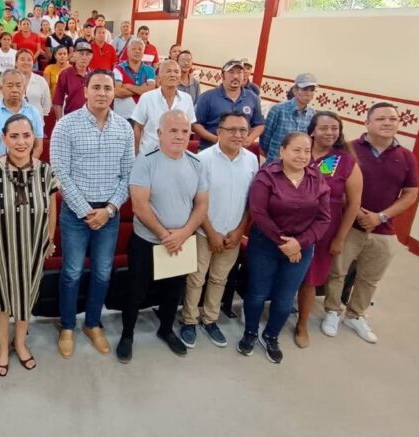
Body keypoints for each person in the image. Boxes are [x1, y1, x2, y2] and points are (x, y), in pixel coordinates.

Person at [51, 70, 134, 359]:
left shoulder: (124, 128)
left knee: (102, 271)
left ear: (114, 92)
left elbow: (128, 175)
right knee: (72, 272)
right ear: (85, 90)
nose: (102, 93)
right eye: (96, 87)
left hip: (109, 213)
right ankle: (67, 325)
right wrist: (88, 212)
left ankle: (93, 323)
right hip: (76, 212)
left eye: (107, 88)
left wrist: (109, 210)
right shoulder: (66, 125)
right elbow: (60, 173)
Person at [321, 103, 419, 344]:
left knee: (370, 277)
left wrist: (380, 216)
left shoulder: (406, 157)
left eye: (393, 119)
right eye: (381, 119)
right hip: (348, 224)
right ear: (367, 123)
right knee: (337, 271)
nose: (387, 123)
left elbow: (410, 194)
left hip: (383, 228)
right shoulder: (345, 150)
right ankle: (332, 311)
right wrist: (356, 211)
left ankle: (355, 315)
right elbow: (324, 178)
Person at [0, 115, 60, 376]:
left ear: (34, 138)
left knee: (26, 298)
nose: (21, 142)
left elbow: (51, 208)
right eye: (14, 136)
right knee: (1, 300)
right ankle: (2, 347)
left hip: (33, 249)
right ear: (4, 139)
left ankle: (20, 342)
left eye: (26, 135)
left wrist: (50, 240)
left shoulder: (45, 171)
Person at [119, 110, 209, 363]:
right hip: (147, 241)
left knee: (173, 292)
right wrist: (164, 234)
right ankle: (127, 335)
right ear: (159, 133)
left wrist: (183, 233)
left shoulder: (196, 163)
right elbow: (139, 205)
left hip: (181, 241)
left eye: (184, 131)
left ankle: (166, 329)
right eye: (173, 130)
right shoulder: (145, 161)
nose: (180, 136)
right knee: (136, 292)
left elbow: (202, 205)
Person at [239, 132, 331, 364]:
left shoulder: (317, 179)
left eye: (307, 151)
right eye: (296, 150)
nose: (302, 156)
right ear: (282, 151)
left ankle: (271, 336)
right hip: (265, 245)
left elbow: (323, 219)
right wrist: (284, 243)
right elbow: (259, 213)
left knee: (285, 297)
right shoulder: (267, 176)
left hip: (301, 248)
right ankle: (250, 332)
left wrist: (299, 243)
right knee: (258, 292)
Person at [179, 112, 257, 349]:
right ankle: (189, 320)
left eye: (243, 130)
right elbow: (195, 201)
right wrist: (211, 232)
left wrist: (240, 230)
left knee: (219, 278)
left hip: (233, 234)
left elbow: (252, 201)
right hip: (205, 232)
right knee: (196, 279)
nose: (238, 135)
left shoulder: (251, 160)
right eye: (232, 130)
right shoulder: (202, 159)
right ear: (219, 132)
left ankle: (210, 319)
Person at [296, 112, 362, 348]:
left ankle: (302, 325)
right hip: (293, 223)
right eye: (324, 128)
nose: (330, 132)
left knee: (310, 278)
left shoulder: (344, 161)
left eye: (335, 128)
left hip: (325, 228)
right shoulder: (300, 152)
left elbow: (353, 203)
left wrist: (340, 237)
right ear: (312, 130)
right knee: (284, 272)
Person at [192, 59, 264, 150]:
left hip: (239, 151)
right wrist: (216, 139)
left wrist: (250, 138)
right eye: (231, 72)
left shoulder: (252, 98)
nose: (235, 76)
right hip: (210, 149)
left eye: (239, 72)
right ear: (222, 75)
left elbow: (259, 124)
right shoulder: (207, 97)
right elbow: (195, 124)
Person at [131, 60, 196, 155]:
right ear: (159, 77)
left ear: (179, 77)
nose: (173, 75)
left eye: (176, 72)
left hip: (176, 155)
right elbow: (138, 127)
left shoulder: (187, 99)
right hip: (149, 153)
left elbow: (189, 127)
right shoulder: (147, 98)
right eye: (168, 71)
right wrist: (136, 152)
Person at [0, 69, 44, 161]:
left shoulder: (33, 112)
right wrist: (4, 167)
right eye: (10, 86)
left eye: (18, 85)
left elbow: (38, 147)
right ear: (1, 88)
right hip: (0, 165)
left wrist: (28, 165)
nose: (14, 90)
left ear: (24, 88)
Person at [260, 72, 318, 164]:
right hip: (275, 162)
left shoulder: (312, 114)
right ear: (295, 90)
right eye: (304, 89)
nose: (308, 93)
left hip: (297, 164)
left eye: (312, 90)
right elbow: (265, 139)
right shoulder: (278, 110)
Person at [113, 38, 156, 121]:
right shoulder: (118, 69)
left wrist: (128, 86)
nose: (137, 51)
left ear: (143, 52)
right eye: (134, 49)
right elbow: (117, 92)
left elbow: (150, 91)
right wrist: (142, 89)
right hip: (122, 117)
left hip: (143, 117)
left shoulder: (150, 70)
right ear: (128, 52)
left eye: (140, 49)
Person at [53, 40, 92, 118]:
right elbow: (58, 101)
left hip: (91, 118)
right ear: (74, 54)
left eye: (87, 54)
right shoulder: (65, 74)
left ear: (91, 56)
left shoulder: (94, 75)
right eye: (81, 54)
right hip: (70, 118)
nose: (84, 57)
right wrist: (60, 121)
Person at [16, 49, 52, 118]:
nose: (26, 62)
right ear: (16, 63)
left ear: (33, 63)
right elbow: (1, 101)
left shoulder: (41, 81)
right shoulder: (7, 80)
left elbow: (47, 105)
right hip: (14, 121)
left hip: (36, 121)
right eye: (22, 60)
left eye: (29, 60)